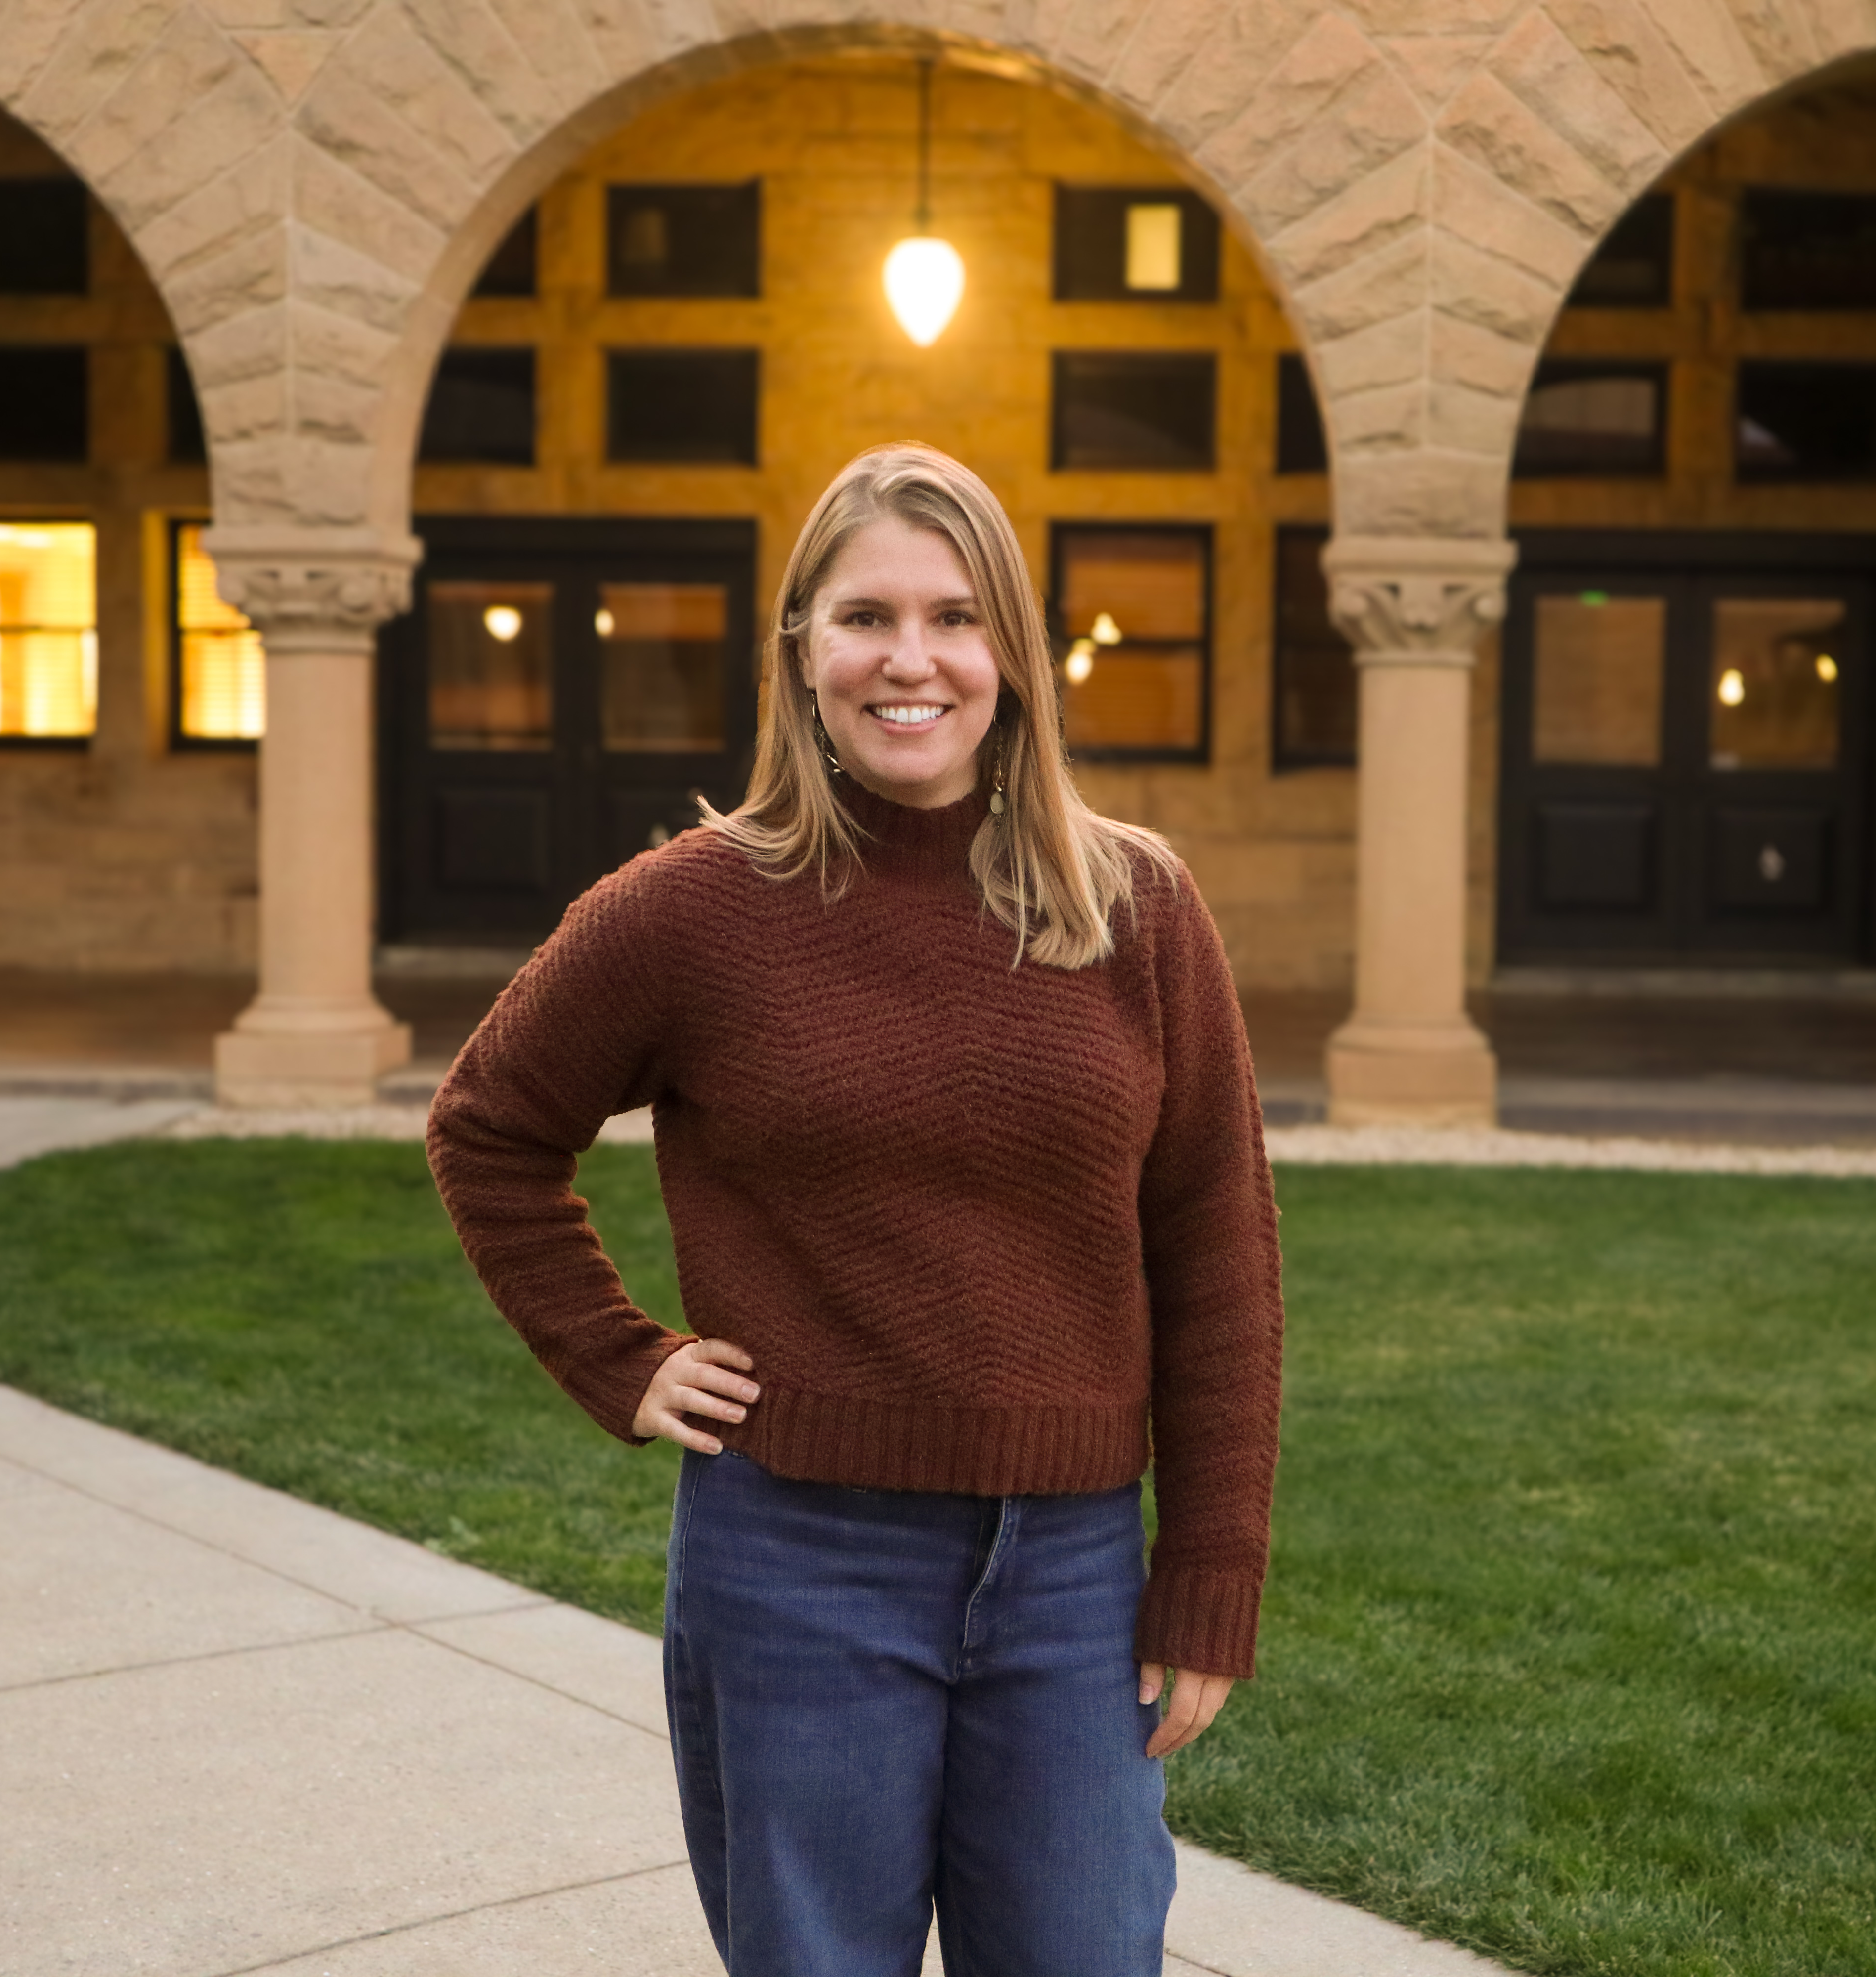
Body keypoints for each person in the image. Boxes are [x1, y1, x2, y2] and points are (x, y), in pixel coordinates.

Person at [426, 442, 1284, 1977]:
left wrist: (1210, 1569)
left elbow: (1215, 1248)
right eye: (864, 617)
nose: (911, 660)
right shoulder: (693, 909)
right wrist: (618, 1359)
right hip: (796, 1561)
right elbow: (491, 1129)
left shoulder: (1135, 908)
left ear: (1012, 658)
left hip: (1074, 1572)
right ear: (800, 653)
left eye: (956, 618)